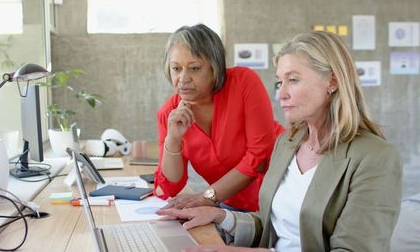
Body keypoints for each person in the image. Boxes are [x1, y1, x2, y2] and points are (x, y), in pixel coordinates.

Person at [157, 31, 403, 251]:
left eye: (293, 80)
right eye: (280, 81)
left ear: (332, 81)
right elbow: (274, 226)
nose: (281, 93)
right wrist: (221, 216)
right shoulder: (288, 143)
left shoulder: (376, 158)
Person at [154, 24, 284, 212]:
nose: (183, 78)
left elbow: (259, 158)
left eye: (195, 68)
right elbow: (170, 187)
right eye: (176, 68)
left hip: (279, 196)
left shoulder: (243, 83)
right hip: (231, 206)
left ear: (215, 68)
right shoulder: (169, 114)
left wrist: (207, 196)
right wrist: (173, 140)